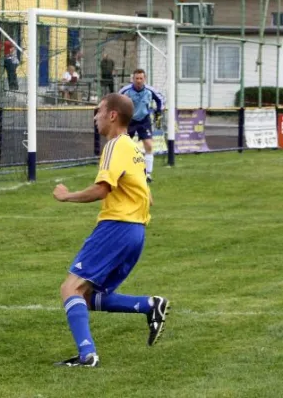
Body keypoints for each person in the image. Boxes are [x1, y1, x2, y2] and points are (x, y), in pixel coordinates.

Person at [52, 93, 169, 368]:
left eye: (99, 111)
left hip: (116, 227)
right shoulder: (133, 147)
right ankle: (149, 305)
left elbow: (102, 189)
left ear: (112, 115)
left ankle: (87, 355)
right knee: (90, 296)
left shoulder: (115, 146)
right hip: (136, 232)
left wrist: (67, 196)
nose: (95, 117)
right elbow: (148, 195)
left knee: (70, 288)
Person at [118, 69, 164, 183]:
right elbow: (116, 101)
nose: (139, 81)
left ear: (144, 79)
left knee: (148, 145)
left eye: (141, 78)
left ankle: (148, 174)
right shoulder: (126, 90)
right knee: (124, 146)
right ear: (133, 79)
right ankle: (122, 171)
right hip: (129, 121)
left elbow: (160, 101)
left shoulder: (150, 91)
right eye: (136, 78)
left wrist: (158, 116)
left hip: (144, 120)